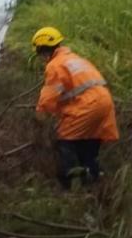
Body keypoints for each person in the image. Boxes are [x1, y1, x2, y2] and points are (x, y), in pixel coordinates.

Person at [32, 27, 118, 188]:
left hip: (88, 105)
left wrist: (39, 121)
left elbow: (49, 97)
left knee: (66, 140)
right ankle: (94, 180)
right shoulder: (76, 59)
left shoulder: (55, 65)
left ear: (42, 49)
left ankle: (72, 185)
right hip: (104, 102)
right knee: (89, 142)